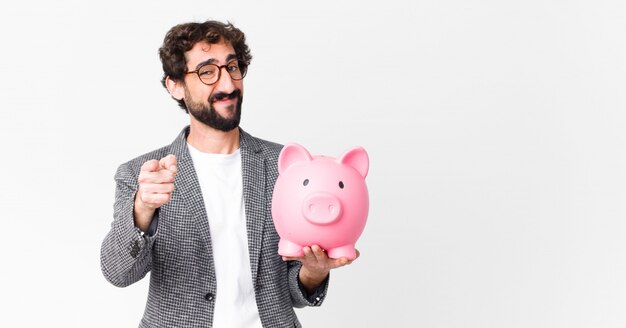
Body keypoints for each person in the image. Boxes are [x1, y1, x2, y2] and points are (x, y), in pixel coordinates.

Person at [100, 20, 357, 327]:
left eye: (232, 67)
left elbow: (289, 291)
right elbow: (118, 273)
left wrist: (314, 272)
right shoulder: (142, 175)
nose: (228, 84)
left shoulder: (286, 167)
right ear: (175, 85)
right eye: (207, 71)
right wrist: (142, 210)